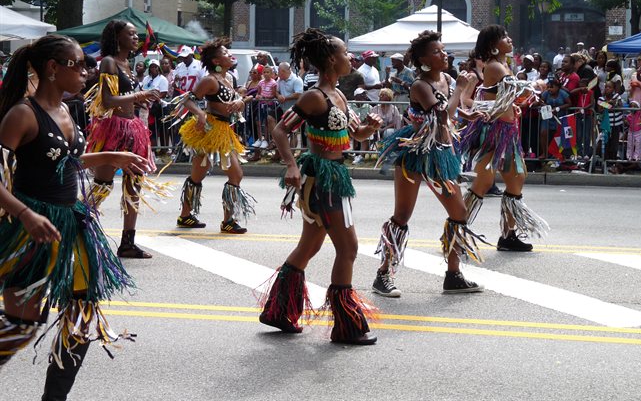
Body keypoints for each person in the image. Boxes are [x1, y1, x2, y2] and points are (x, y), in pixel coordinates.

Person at [0, 34, 148, 398]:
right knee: (22, 324)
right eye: (78, 65)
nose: (86, 71)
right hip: (31, 230)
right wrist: (26, 215)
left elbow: (63, 161)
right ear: (53, 68)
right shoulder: (22, 114)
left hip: (72, 224)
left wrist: (110, 156)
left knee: (82, 316)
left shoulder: (67, 110)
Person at [259, 29, 382, 344]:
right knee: (348, 248)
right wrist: (290, 165)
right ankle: (346, 326)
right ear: (330, 59)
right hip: (322, 179)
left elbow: (356, 134)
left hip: (334, 175)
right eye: (344, 52)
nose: (349, 57)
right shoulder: (314, 97)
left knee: (310, 246)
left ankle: (278, 310)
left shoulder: (338, 95)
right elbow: (281, 131)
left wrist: (369, 128)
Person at [373, 30, 485, 297]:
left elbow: (451, 110)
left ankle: (453, 275)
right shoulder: (420, 86)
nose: (444, 54)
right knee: (402, 216)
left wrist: (468, 114)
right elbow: (442, 115)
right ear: (423, 60)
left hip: (441, 153)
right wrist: (461, 89)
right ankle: (383, 274)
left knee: (459, 213)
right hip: (415, 152)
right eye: (437, 51)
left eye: (443, 50)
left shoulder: (446, 78)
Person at [458, 25, 549, 252]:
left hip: (506, 130)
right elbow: (520, 91)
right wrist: (534, 87)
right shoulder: (495, 66)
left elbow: (502, 97)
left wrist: (511, 106)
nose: (509, 40)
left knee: (515, 179)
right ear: (493, 45)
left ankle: (508, 236)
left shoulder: (502, 65)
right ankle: (456, 231)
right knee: (483, 183)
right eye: (503, 37)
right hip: (494, 132)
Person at [84, 20, 162, 259]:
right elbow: (108, 100)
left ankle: (128, 243)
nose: (136, 37)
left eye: (136, 34)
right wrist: (139, 95)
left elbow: (125, 96)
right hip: (113, 129)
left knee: (134, 185)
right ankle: (75, 228)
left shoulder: (127, 63)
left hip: (133, 128)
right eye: (131, 34)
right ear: (117, 37)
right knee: (102, 184)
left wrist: (139, 100)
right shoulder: (109, 62)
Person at [175, 38, 256, 234]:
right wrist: (200, 114)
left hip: (223, 130)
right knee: (235, 174)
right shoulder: (210, 80)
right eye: (225, 53)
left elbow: (234, 104)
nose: (230, 54)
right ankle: (228, 221)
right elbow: (187, 100)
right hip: (211, 130)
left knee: (198, 175)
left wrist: (241, 102)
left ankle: (185, 216)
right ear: (216, 61)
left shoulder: (229, 79)